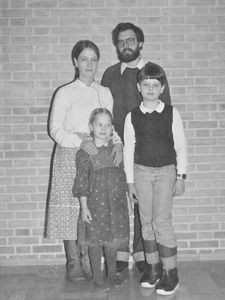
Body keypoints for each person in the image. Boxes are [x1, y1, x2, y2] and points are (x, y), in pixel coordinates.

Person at [45, 40, 123, 283]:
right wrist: (80, 142)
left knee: (93, 208)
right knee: (70, 209)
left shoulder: (104, 92)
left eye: (94, 59)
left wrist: (118, 142)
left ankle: (90, 261)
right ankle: (73, 263)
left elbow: (109, 124)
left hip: (98, 154)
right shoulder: (65, 92)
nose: (89, 64)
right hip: (70, 152)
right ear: (75, 62)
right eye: (84, 59)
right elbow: (55, 129)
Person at [101, 22, 171, 274]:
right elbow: (103, 114)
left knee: (145, 206)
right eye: (120, 42)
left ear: (140, 43)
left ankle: (144, 253)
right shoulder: (109, 74)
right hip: (115, 148)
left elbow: (166, 115)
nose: (125, 46)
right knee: (117, 202)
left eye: (130, 41)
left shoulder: (153, 72)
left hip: (146, 152)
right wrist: (110, 142)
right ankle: (120, 253)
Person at [123, 62, 187, 295]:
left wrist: (181, 176)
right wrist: (130, 182)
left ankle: (171, 273)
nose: (150, 89)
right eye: (146, 84)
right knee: (146, 222)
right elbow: (128, 151)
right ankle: (153, 269)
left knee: (162, 222)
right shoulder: (132, 117)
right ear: (139, 87)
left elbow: (181, 148)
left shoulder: (172, 113)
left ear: (162, 88)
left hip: (165, 172)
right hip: (140, 172)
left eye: (155, 85)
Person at [72, 108, 130, 290]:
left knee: (112, 241)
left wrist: (126, 200)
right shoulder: (84, 153)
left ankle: (112, 275)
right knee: (95, 242)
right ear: (91, 126)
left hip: (115, 203)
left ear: (112, 128)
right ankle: (98, 280)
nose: (103, 128)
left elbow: (122, 177)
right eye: (99, 124)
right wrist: (84, 207)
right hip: (95, 204)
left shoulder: (117, 150)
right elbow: (81, 181)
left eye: (107, 125)